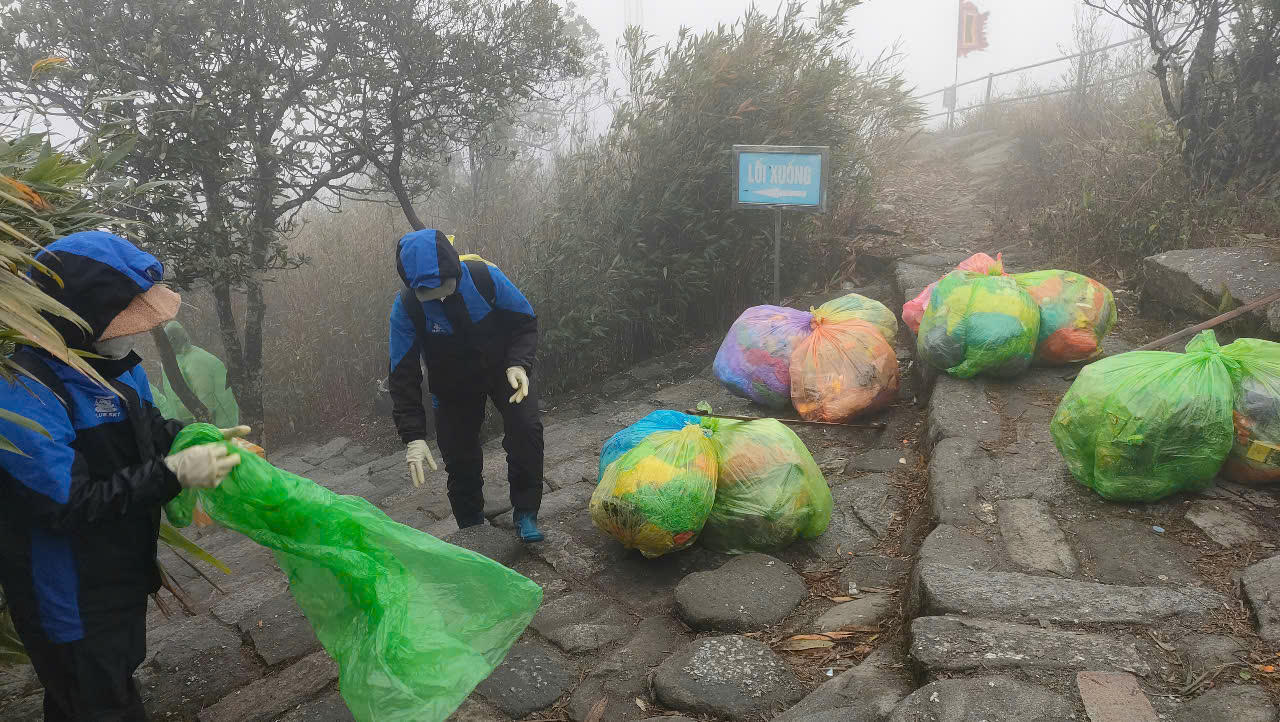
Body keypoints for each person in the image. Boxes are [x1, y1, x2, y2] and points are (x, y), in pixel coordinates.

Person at [0, 231, 250, 721]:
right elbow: (68, 504)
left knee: (113, 680)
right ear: (77, 316)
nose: (132, 333)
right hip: (67, 591)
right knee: (92, 699)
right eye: (121, 320)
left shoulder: (118, 370)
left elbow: (149, 432)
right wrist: (175, 473)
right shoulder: (24, 390)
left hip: (122, 569)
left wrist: (194, 440)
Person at [387, 229, 545, 542]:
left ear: (455, 271)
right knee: (459, 458)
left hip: (503, 369)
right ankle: (472, 529)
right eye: (430, 292)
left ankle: (526, 512)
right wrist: (413, 437)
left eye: (446, 286)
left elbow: (524, 321)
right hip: (451, 385)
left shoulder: (485, 277)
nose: (441, 296)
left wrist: (519, 363)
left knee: (526, 430)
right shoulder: (408, 307)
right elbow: (402, 373)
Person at [157, 321, 241, 428]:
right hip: (193, 429)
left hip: (215, 428)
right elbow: (173, 401)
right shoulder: (173, 362)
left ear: (172, 340)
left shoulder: (197, 362)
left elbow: (207, 400)